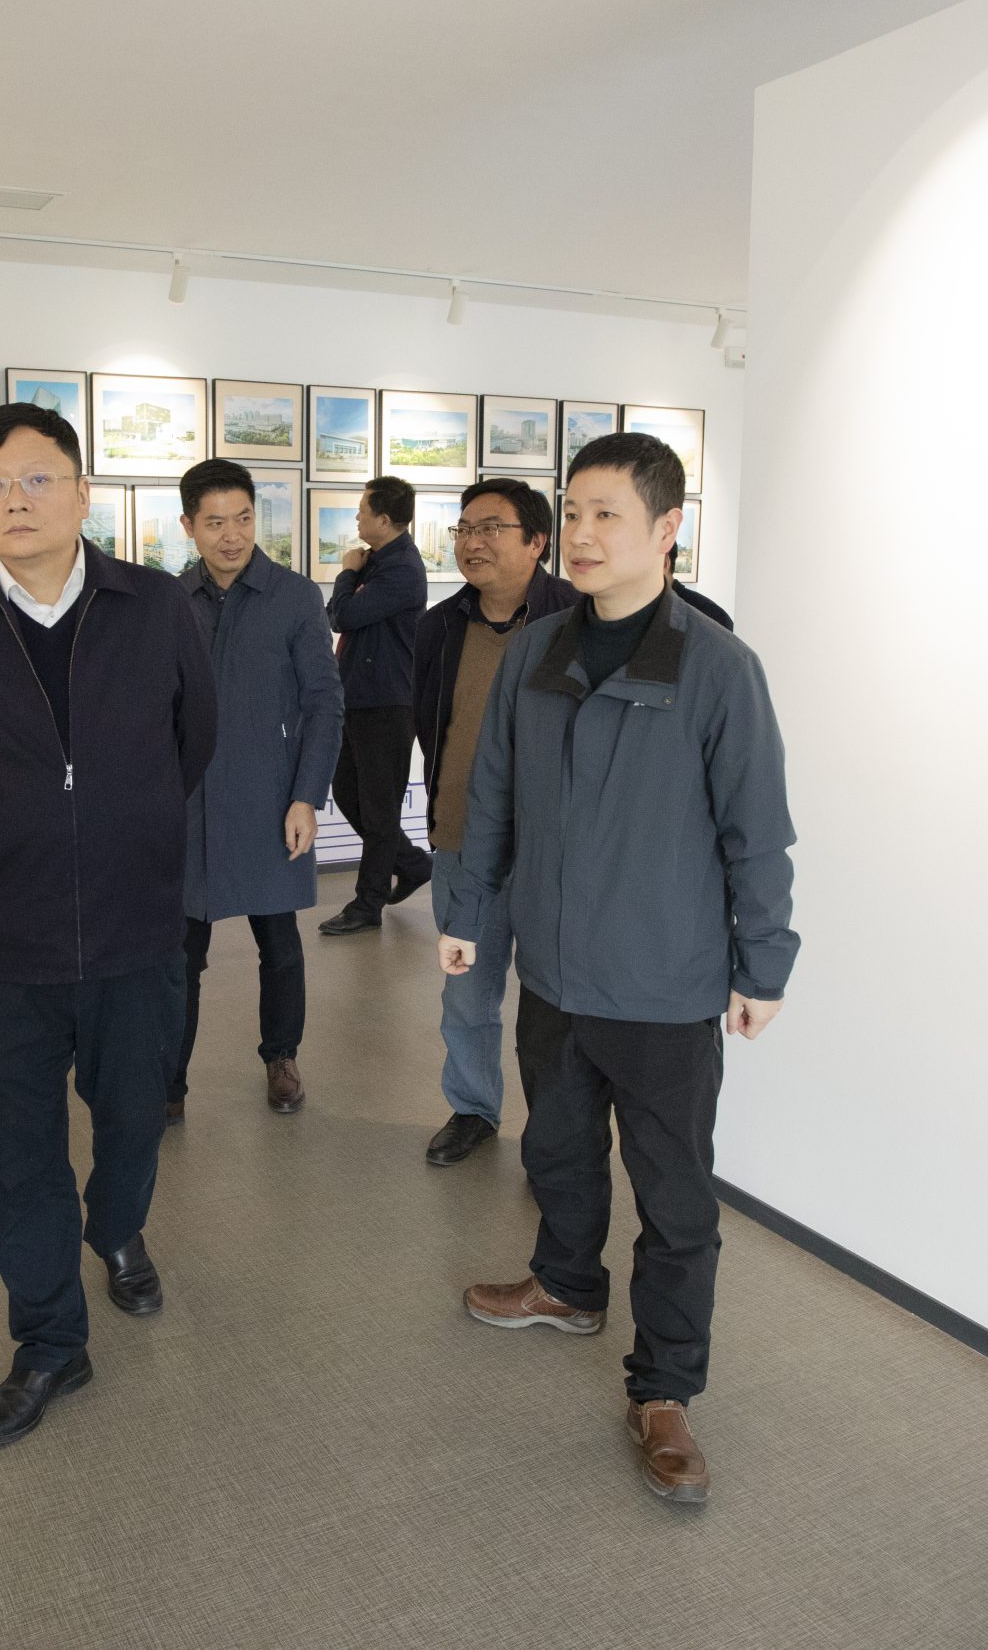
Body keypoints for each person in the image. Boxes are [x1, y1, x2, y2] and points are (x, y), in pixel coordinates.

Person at [438, 432, 798, 1506]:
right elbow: (492, 794)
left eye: (607, 515)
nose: (584, 535)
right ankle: (566, 1285)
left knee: (676, 1199)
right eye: (574, 513)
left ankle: (665, 1389)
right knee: (555, 1148)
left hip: (663, 985)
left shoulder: (717, 668)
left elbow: (757, 832)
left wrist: (763, 965)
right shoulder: (538, 654)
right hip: (554, 972)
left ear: (667, 527)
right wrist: (468, 912)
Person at [0, 402, 216, 1449]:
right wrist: (11, 834)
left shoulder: (156, 608)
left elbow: (194, 739)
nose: (16, 500)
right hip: (4, 946)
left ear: (81, 493)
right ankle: (48, 1341)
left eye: (37, 479)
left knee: (132, 1120)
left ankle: (116, 1231)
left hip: (136, 931)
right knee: (21, 1156)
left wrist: (119, 823)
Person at [410, 478, 579, 1165]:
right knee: (466, 996)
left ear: (537, 542)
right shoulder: (440, 626)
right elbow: (432, 725)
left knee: (554, 1008)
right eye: (464, 529)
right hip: (460, 842)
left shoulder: (578, 619)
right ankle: (474, 1108)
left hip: (552, 852)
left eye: (491, 528)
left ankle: (558, 1133)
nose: (472, 542)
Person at [170, 458, 343, 1118]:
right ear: (189, 526)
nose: (232, 535)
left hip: (271, 797)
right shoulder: (170, 602)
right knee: (180, 953)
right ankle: (169, 1078)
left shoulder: (294, 597)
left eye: (243, 518)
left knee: (280, 943)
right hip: (188, 804)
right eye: (215, 522)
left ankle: (282, 1057)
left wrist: (307, 796)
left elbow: (325, 702)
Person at [318, 475, 434, 935]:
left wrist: (348, 572)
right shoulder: (378, 562)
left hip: (387, 702)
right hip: (358, 698)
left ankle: (367, 905)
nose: (357, 517)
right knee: (348, 793)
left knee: (380, 809)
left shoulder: (400, 568)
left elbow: (343, 615)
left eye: (363, 510)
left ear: (384, 520)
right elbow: (338, 614)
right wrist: (353, 578)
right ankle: (413, 864)